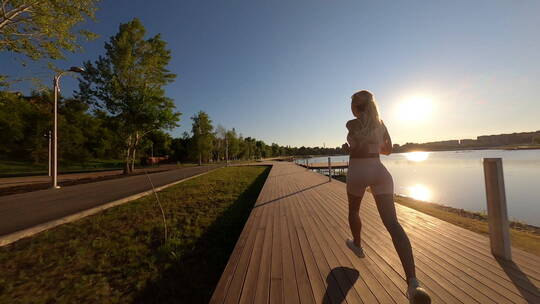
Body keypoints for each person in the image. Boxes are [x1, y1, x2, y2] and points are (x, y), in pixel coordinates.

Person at [342, 90, 431, 304]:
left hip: (357, 170)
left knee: (354, 211)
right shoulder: (381, 123)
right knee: (393, 224)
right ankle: (413, 282)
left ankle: (358, 245)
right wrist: (375, 146)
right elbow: (388, 150)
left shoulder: (350, 124)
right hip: (379, 171)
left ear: (355, 106)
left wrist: (348, 147)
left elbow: (355, 146)